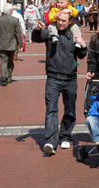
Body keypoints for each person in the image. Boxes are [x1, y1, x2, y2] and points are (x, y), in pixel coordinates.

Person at [32, 10, 87, 155]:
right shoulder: (51, 32)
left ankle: (65, 136)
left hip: (70, 78)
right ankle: (50, 140)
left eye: (64, 21)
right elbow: (37, 38)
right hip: (53, 77)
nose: (61, 23)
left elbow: (81, 55)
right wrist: (37, 30)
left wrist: (83, 45)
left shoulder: (73, 34)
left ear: (70, 22)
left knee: (70, 110)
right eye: (59, 20)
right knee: (51, 109)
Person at [0, 3, 23, 86]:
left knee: (3, 61)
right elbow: (18, 33)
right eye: (12, 9)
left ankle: (3, 76)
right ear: (10, 10)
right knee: (10, 61)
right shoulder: (15, 20)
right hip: (12, 44)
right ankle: (8, 77)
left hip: (2, 44)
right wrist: (21, 45)